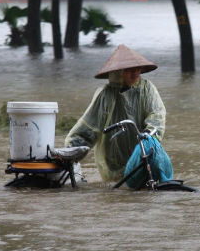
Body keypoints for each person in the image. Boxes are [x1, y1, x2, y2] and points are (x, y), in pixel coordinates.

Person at [64, 44, 169, 183]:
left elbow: (157, 114)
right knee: (118, 193)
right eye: (130, 70)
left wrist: (150, 134)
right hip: (113, 159)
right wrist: (70, 153)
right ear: (119, 72)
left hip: (142, 151)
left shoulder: (146, 89)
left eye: (138, 69)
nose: (135, 73)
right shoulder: (105, 95)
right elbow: (89, 128)